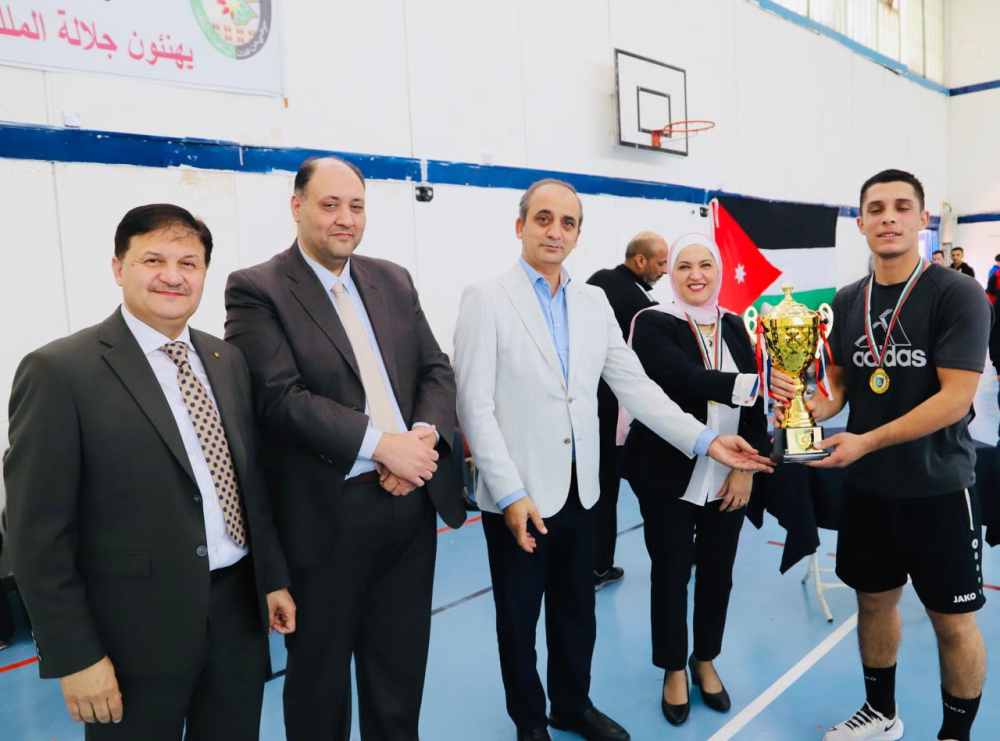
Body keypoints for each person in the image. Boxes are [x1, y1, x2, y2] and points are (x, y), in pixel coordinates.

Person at [454, 178, 772, 741]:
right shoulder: (486, 297)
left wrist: (707, 441)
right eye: (543, 219)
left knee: (577, 613)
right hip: (519, 497)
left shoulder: (592, 301)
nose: (555, 231)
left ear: (578, 235)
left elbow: (637, 388)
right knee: (519, 621)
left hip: (582, 492)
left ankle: (571, 706)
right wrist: (508, 492)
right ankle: (530, 723)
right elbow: (473, 406)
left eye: (568, 222)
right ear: (520, 226)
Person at [4, 204, 296, 740]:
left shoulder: (226, 360)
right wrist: (75, 655)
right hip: (131, 637)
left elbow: (247, 484)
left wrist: (271, 578)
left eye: (189, 263)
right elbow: (36, 534)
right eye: (153, 260)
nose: (172, 276)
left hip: (237, 617)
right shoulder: (60, 371)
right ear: (119, 268)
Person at [224, 156, 465, 741]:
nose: (345, 218)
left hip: (409, 506)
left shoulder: (393, 279)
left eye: (356, 206)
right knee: (320, 682)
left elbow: (435, 369)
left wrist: (421, 442)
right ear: (297, 206)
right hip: (327, 516)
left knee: (399, 673)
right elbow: (280, 398)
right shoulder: (257, 289)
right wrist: (384, 447)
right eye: (329, 205)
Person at [771, 169, 990, 741]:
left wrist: (865, 440)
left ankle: (955, 735)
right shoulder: (848, 300)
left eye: (901, 207)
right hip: (868, 489)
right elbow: (842, 384)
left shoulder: (957, 294)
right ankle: (881, 713)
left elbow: (956, 398)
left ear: (922, 219)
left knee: (952, 622)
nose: (888, 217)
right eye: (875, 208)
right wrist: (806, 407)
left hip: (938, 487)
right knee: (872, 604)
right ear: (861, 222)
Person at [619, 233, 765, 726]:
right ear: (670, 273)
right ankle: (673, 668)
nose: (696, 274)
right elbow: (679, 375)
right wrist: (756, 382)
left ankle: (704, 659)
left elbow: (755, 410)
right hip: (668, 474)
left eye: (706, 264)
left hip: (729, 476)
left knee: (719, 572)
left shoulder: (735, 324)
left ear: (719, 271)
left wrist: (746, 469)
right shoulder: (652, 322)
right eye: (683, 266)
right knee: (671, 572)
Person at [586, 231, 668, 590]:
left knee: (600, 488)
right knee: (650, 488)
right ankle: (678, 553)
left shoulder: (596, 282)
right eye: (661, 263)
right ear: (640, 260)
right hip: (621, 413)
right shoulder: (643, 306)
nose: (665, 270)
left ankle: (595, 566)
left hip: (588, 407)